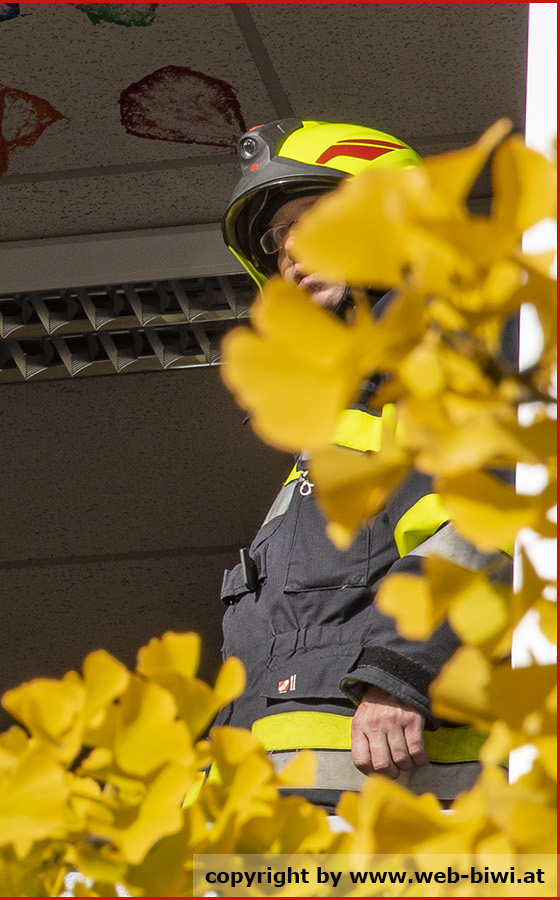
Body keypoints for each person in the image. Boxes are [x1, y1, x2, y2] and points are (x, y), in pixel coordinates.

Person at [215, 119, 503, 809]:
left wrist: (398, 674)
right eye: (278, 239)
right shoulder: (346, 417)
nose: (289, 252)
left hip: (390, 784)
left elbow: (482, 521)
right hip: (298, 786)